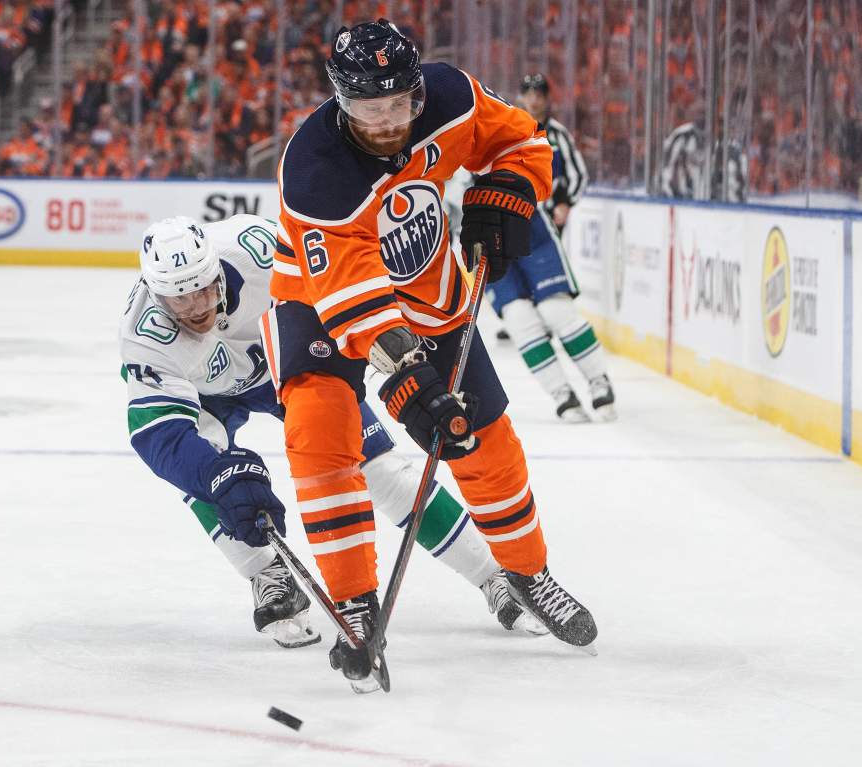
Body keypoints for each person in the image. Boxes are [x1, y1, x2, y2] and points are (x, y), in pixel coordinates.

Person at [268, 20, 598, 686]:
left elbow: (519, 140)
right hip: (320, 294)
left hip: (426, 285)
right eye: (370, 107)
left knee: (482, 437)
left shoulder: (449, 96)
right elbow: (356, 301)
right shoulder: (315, 169)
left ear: (418, 90)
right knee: (320, 428)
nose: (389, 121)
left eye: (400, 103)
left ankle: (529, 573)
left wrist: (507, 195)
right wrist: (409, 381)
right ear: (340, 99)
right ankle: (356, 604)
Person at [120, 215, 546, 676]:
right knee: (207, 472)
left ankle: (493, 577)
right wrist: (214, 475)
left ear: (218, 271)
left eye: (203, 289)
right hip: (205, 395)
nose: (195, 307)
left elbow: (342, 287)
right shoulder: (143, 335)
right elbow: (160, 435)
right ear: (153, 291)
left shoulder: (258, 249)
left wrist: (394, 352)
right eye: (177, 298)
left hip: (290, 362)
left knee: (382, 473)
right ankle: (268, 574)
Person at [484, 73, 616, 423]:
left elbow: (570, 175)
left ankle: (598, 381)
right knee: (520, 320)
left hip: (532, 230)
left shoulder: (531, 132)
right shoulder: (440, 145)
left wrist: (562, 201)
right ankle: (562, 393)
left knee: (557, 312)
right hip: (485, 244)